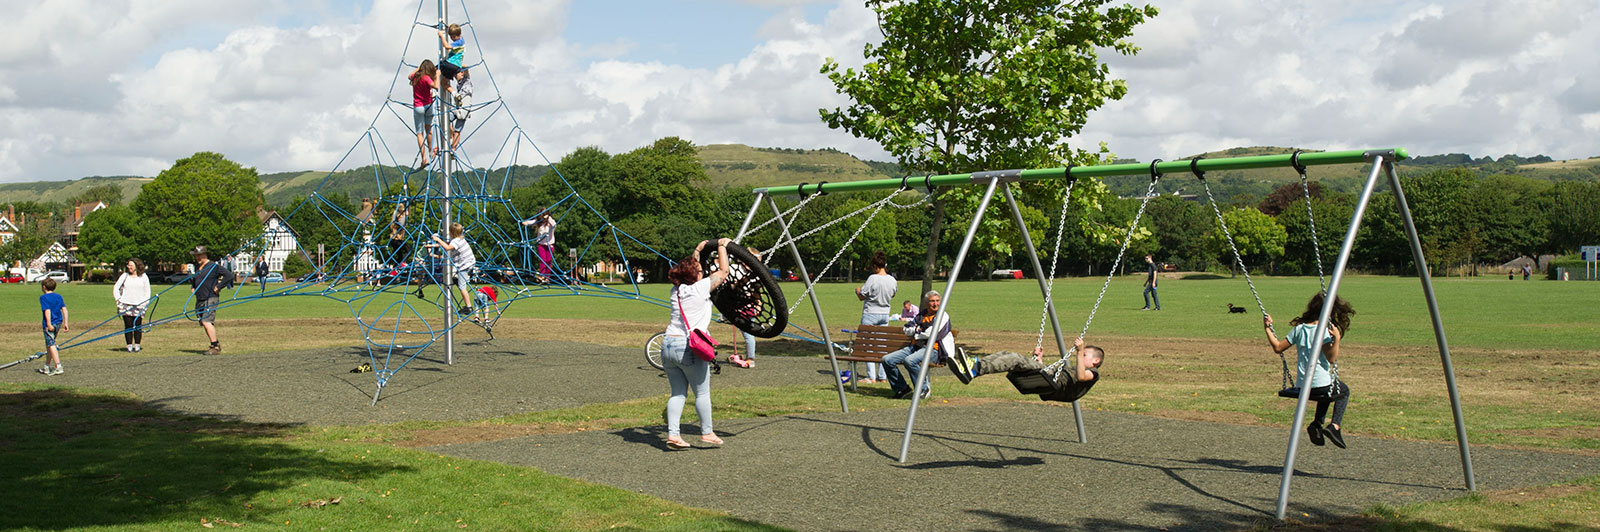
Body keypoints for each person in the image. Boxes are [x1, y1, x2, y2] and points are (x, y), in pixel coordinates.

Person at [660, 238, 733, 449]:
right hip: (689, 347)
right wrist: (722, 246)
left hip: (668, 345)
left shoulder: (677, 291)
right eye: (700, 271)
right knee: (701, 393)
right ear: (696, 276)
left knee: (678, 393)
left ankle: (674, 435)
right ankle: (707, 432)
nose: (703, 272)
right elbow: (724, 272)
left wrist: (699, 249)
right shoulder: (700, 289)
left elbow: (693, 268)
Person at [1264, 292, 1355, 449]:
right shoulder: (1323, 331)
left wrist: (1267, 328)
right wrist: (1337, 339)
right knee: (1342, 390)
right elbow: (1332, 358)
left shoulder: (1299, 329)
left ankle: (1317, 423)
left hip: (1302, 386)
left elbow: (1278, 348)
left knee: (1327, 391)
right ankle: (1334, 426)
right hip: (1321, 385)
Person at [945, 338, 1104, 402]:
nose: (1081, 357)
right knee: (1008, 356)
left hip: (1053, 386)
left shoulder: (1093, 373)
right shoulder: (1073, 370)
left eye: (1085, 355)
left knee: (1015, 359)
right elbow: (1049, 373)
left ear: (1096, 361)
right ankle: (970, 368)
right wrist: (1038, 360)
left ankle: (975, 368)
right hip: (1049, 381)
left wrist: (1079, 350)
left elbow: (1082, 377)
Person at [883, 290, 951, 399]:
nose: (935, 304)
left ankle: (923, 389)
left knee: (909, 361)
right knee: (887, 360)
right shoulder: (921, 315)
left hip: (933, 350)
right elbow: (906, 328)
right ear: (926, 303)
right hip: (915, 347)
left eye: (938, 301)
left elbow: (932, 333)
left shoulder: (943, 315)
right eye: (932, 301)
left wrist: (916, 332)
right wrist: (917, 329)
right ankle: (902, 389)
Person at [853, 251, 895, 384]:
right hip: (885, 314)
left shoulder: (872, 278)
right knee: (881, 346)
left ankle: (871, 376)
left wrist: (857, 290)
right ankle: (883, 376)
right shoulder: (892, 280)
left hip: (870, 313)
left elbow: (862, 296)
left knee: (869, 346)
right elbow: (892, 295)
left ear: (874, 266)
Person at [190, 246, 235, 356]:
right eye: (196, 255)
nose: (197, 257)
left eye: (199, 255)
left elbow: (229, 275)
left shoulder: (213, 266)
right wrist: (193, 286)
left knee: (206, 321)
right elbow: (194, 279)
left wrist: (219, 286)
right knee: (204, 322)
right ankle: (215, 343)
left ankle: (215, 346)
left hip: (211, 297)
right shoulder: (198, 266)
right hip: (200, 297)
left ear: (205, 254)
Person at [429, 223, 478, 315]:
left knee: (462, 287)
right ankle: (456, 280)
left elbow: (447, 247)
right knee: (456, 278)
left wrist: (438, 239)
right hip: (469, 263)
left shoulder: (455, 241)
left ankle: (469, 307)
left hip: (465, 265)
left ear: (451, 233)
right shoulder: (460, 239)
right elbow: (447, 244)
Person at [113, 258, 151, 353]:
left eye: (131, 265)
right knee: (128, 325)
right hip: (126, 304)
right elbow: (116, 288)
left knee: (138, 325)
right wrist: (118, 299)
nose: (129, 267)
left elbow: (147, 292)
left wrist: (145, 303)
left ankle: (137, 345)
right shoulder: (125, 276)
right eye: (128, 265)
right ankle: (129, 345)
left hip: (139, 305)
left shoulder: (143, 277)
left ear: (136, 266)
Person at [408, 60, 441, 166]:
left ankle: (424, 158)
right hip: (428, 106)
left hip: (418, 107)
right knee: (429, 131)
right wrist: (437, 76)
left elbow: (409, 76)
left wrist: (419, 68)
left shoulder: (415, 77)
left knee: (419, 133)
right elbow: (436, 87)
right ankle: (431, 153)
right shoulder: (426, 78)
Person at [38, 278, 68, 375]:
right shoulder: (59, 297)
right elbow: (64, 310)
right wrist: (66, 323)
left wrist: (49, 324)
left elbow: (47, 310)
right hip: (58, 322)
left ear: (43, 287)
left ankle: (58, 366)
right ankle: (46, 366)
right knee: (50, 345)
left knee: (51, 344)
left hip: (50, 323)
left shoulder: (44, 298)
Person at [521, 211, 557, 283]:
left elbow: (554, 224)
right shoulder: (539, 222)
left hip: (549, 244)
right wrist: (526, 222)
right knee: (542, 260)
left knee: (549, 261)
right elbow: (532, 222)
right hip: (541, 244)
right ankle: (542, 275)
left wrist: (548, 217)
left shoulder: (550, 223)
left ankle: (547, 277)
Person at [448, 68, 472, 150]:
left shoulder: (467, 80)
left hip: (465, 107)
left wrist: (456, 62)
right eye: (459, 73)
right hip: (458, 106)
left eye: (462, 72)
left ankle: (453, 149)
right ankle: (451, 137)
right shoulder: (458, 84)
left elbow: (466, 68)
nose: (461, 73)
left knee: (457, 130)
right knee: (446, 119)